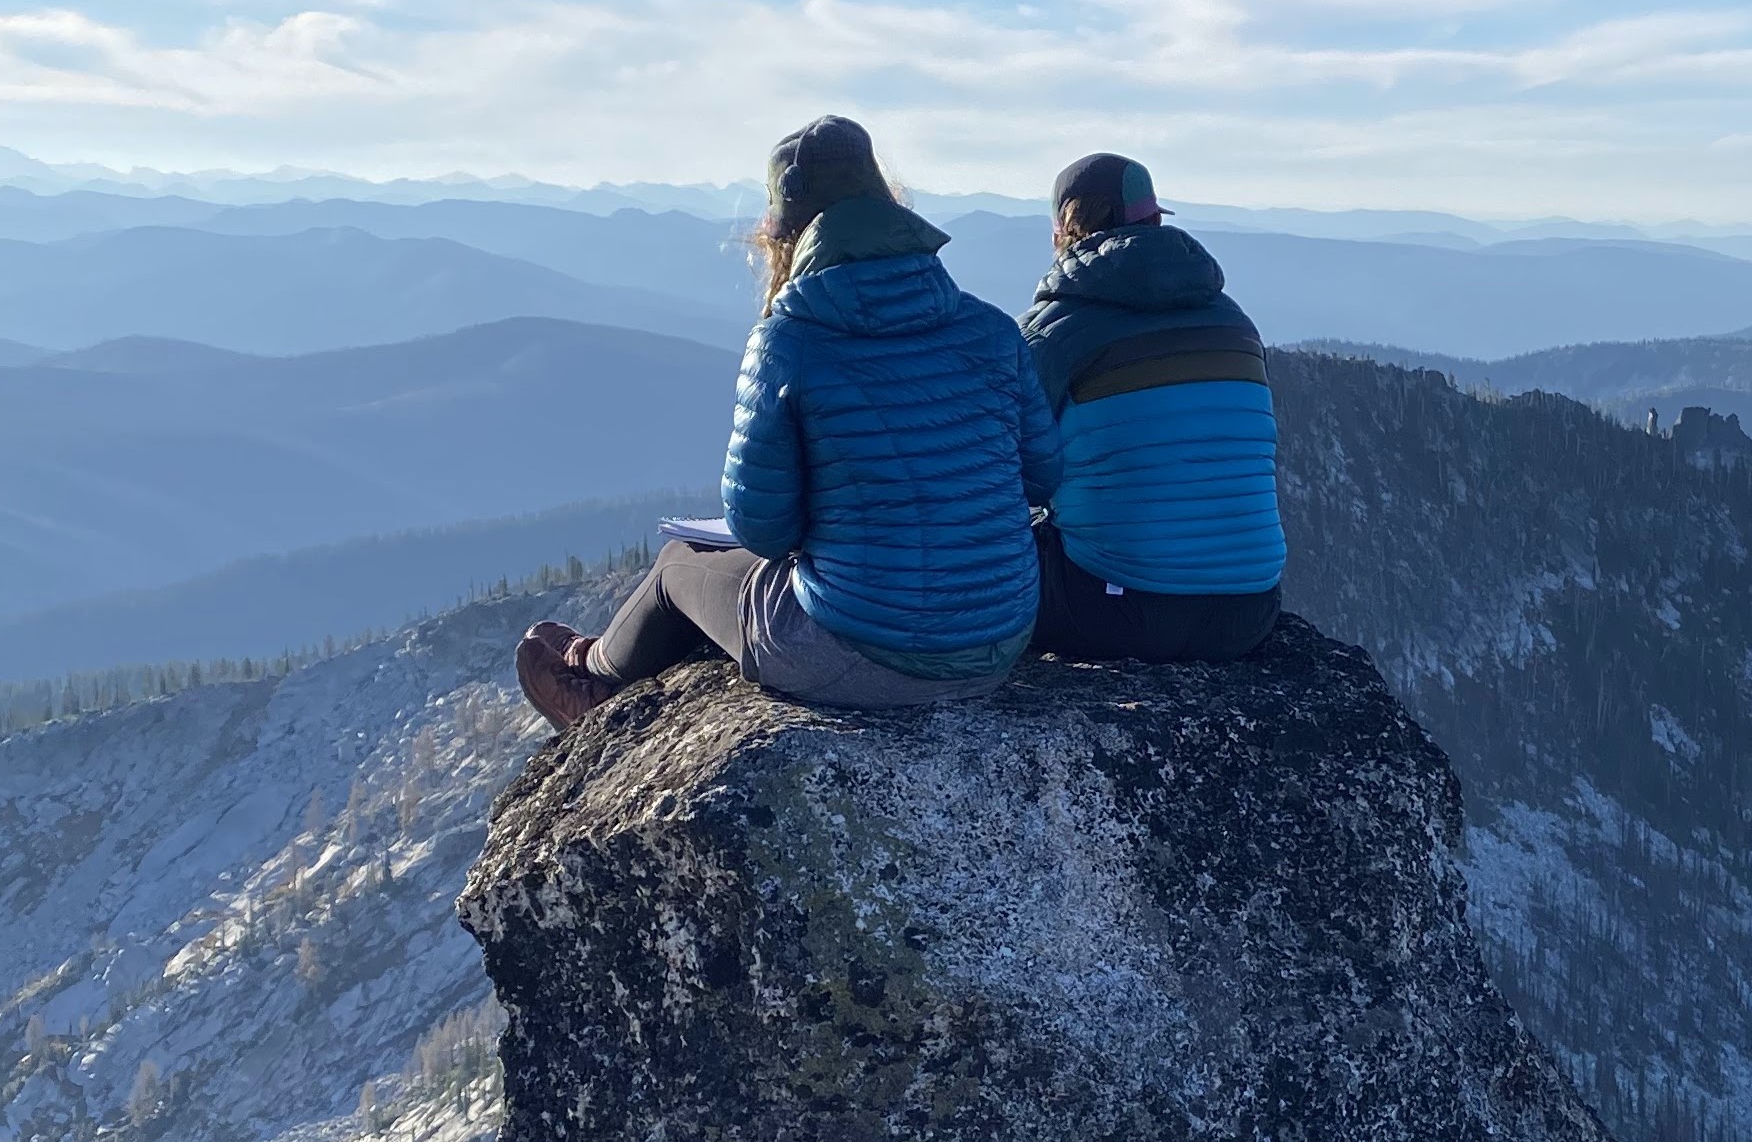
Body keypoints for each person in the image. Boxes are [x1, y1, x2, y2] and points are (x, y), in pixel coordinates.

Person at [518, 115, 1056, 728]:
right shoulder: (989, 327)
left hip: (864, 655)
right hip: (1004, 634)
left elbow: (763, 530)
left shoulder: (790, 339)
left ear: (785, 235)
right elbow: (1041, 476)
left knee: (676, 567)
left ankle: (590, 683)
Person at [1019, 152, 1284, 662]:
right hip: (1252, 612)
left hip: (1117, 613)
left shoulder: (1050, 333)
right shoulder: (1236, 324)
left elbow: (1002, 468)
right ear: (1156, 221)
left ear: (1064, 232)